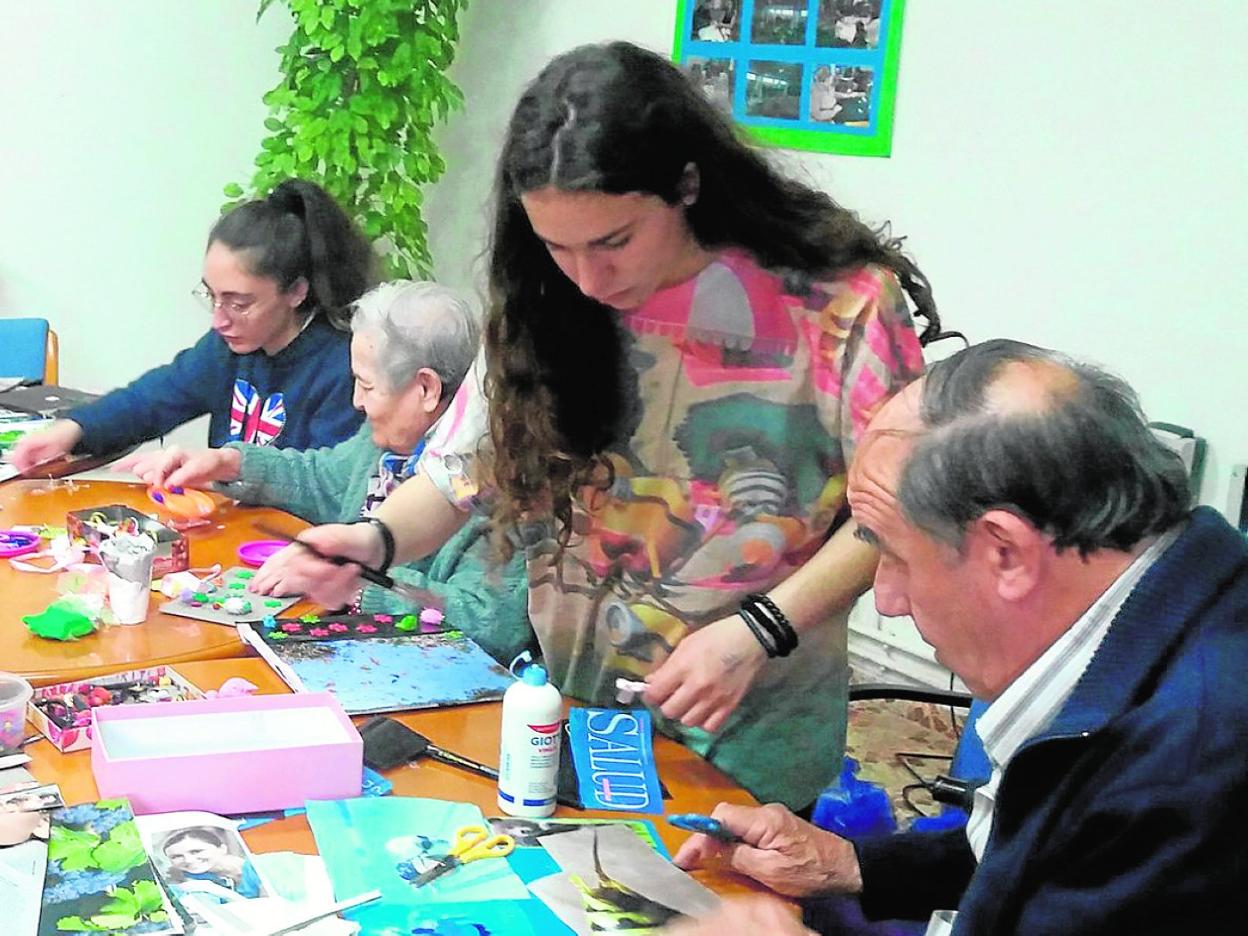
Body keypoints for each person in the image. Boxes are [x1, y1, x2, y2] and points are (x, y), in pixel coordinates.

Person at [252, 41, 941, 810]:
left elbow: (899, 512)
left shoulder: (837, 303)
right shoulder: (548, 300)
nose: (589, 277)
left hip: (748, 723)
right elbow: (463, 474)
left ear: (686, 184)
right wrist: (374, 541)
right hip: (578, 707)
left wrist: (763, 629)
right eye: (557, 246)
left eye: (613, 242)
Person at [672, 340, 1248, 934]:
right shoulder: (1171, 594)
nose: (888, 602)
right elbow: (1034, 859)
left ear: (1007, 552)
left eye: (892, 554)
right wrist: (850, 864)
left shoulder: (1187, 772)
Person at [116, 281, 532, 664]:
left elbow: (493, 625)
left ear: (426, 389)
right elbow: (322, 477)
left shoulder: (495, 480)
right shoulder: (384, 442)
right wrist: (229, 461)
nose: (355, 402)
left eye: (366, 386)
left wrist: (358, 584)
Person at [8, 179, 374, 474]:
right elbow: (152, 399)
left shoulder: (343, 367)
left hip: (288, 548)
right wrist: (75, 430)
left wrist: (213, 473)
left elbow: (326, 490)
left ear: (296, 291)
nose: (219, 319)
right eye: (211, 296)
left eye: (239, 303)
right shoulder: (228, 347)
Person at [161, 826, 263, 901]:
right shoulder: (192, 877)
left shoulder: (255, 867)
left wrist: (216, 890)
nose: (188, 860)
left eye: (196, 851)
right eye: (176, 856)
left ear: (222, 849)